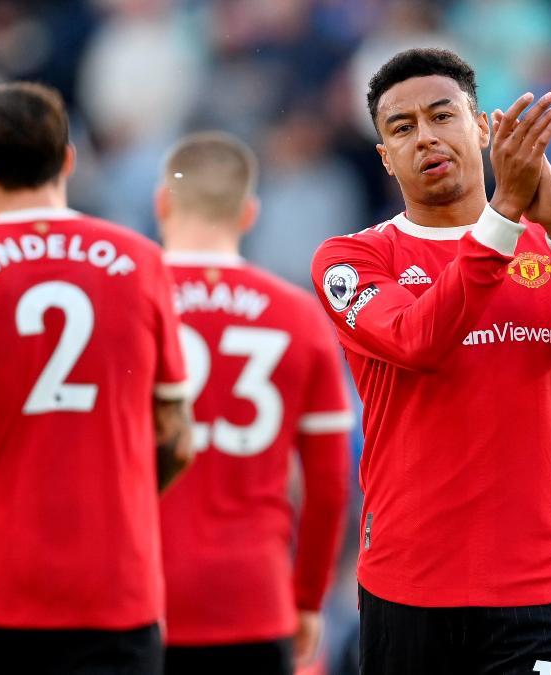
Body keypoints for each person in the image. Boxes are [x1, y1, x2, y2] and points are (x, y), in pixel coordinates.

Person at [309, 48, 551, 674]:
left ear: (482, 127)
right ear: (385, 158)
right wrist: (504, 216)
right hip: (408, 584)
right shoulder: (352, 259)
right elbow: (419, 340)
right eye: (401, 128)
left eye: (442, 115)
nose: (425, 137)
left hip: (538, 585)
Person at [0, 82, 192, 675]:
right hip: (116, 585)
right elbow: (178, 437)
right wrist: (116, 506)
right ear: (69, 159)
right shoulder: (142, 263)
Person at [155, 131, 352, 675]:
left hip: (141, 598)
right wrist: (309, 598)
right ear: (249, 213)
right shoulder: (299, 315)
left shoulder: (128, 305)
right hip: (254, 599)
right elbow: (329, 484)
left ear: (162, 203)